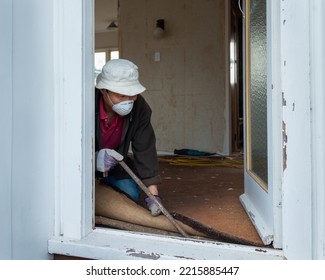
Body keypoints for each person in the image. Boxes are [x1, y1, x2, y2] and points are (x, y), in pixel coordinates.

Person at [95, 59, 162, 216]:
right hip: (80, 167)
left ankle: (102, 187)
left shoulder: (140, 108)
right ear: (103, 91)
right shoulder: (84, 103)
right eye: (121, 95)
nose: (128, 101)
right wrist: (91, 158)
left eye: (133, 95)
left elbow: (145, 148)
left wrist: (154, 194)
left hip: (115, 167)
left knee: (130, 194)